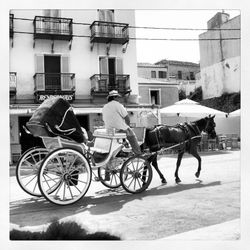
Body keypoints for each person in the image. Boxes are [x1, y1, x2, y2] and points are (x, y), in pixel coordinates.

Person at [102, 90, 141, 155]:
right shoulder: (118, 105)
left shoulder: (104, 107)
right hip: (119, 130)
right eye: (117, 97)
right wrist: (128, 126)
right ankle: (138, 153)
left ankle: (124, 144)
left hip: (110, 130)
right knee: (132, 136)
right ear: (114, 98)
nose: (119, 99)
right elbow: (127, 118)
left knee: (125, 131)